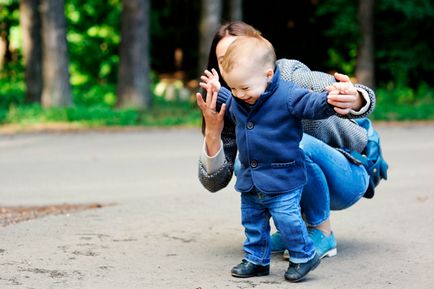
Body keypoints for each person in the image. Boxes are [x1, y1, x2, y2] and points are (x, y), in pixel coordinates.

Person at [197, 21, 374, 263]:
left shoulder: (289, 75)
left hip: (346, 175)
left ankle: (322, 231)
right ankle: (292, 228)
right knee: (247, 163)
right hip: (296, 179)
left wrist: (354, 99)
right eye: (223, 59)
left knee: (297, 147)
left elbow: (336, 90)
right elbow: (214, 182)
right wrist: (212, 133)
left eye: (238, 52)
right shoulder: (234, 100)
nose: (232, 62)